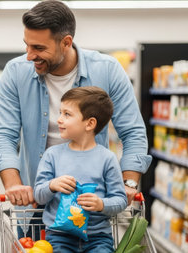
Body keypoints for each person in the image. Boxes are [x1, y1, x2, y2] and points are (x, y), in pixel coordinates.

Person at [0, 0, 151, 238]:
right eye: (26, 45)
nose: (29, 55)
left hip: (91, 200)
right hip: (38, 198)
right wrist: (13, 184)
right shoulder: (16, 73)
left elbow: (133, 132)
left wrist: (128, 184)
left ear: (66, 42)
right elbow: (4, 134)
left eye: (39, 48)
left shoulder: (107, 70)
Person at [34, 86, 127, 252]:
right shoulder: (52, 155)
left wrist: (101, 204)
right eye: (60, 112)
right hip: (58, 236)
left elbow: (120, 200)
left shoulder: (107, 158)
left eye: (67, 114)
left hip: (98, 237)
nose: (59, 119)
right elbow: (39, 196)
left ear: (90, 123)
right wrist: (52, 185)